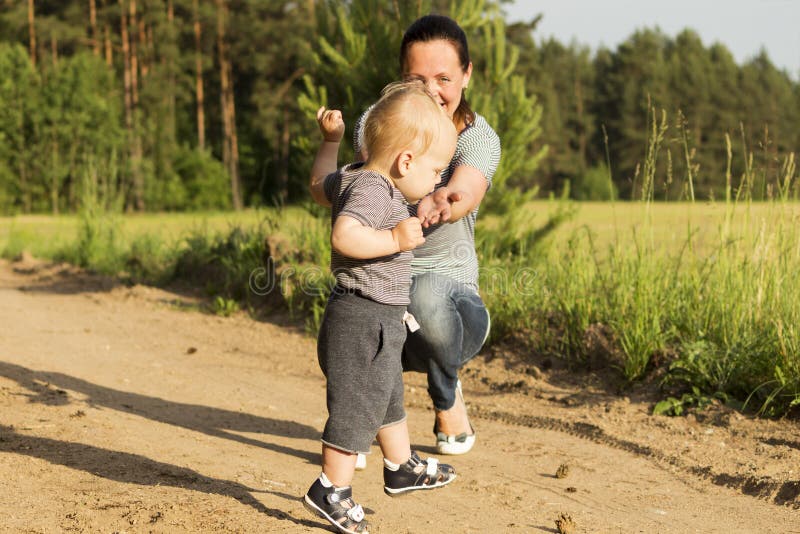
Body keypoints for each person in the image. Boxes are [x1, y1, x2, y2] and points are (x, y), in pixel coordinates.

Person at [303, 81, 459, 534]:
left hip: (377, 317)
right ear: (405, 161)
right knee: (356, 407)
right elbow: (344, 236)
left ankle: (400, 465)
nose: (436, 180)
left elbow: (318, 187)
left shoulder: (354, 176)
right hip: (362, 319)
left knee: (386, 393)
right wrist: (393, 239)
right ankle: (330, 489)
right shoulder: (373, 189)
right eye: (434, 171)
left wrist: (330, 142)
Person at [352, 14, 501, 457]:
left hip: (450, 297)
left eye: (443, 78)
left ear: (466, 75)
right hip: (382, 277)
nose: (431, 92)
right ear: (400, 81)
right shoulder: (375, 126)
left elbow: (467, 189)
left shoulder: (476, 137)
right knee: (355, 313)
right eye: (416, 80)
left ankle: (447, 390)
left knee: (424, 297)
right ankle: (358, 424)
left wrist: (447, 199)